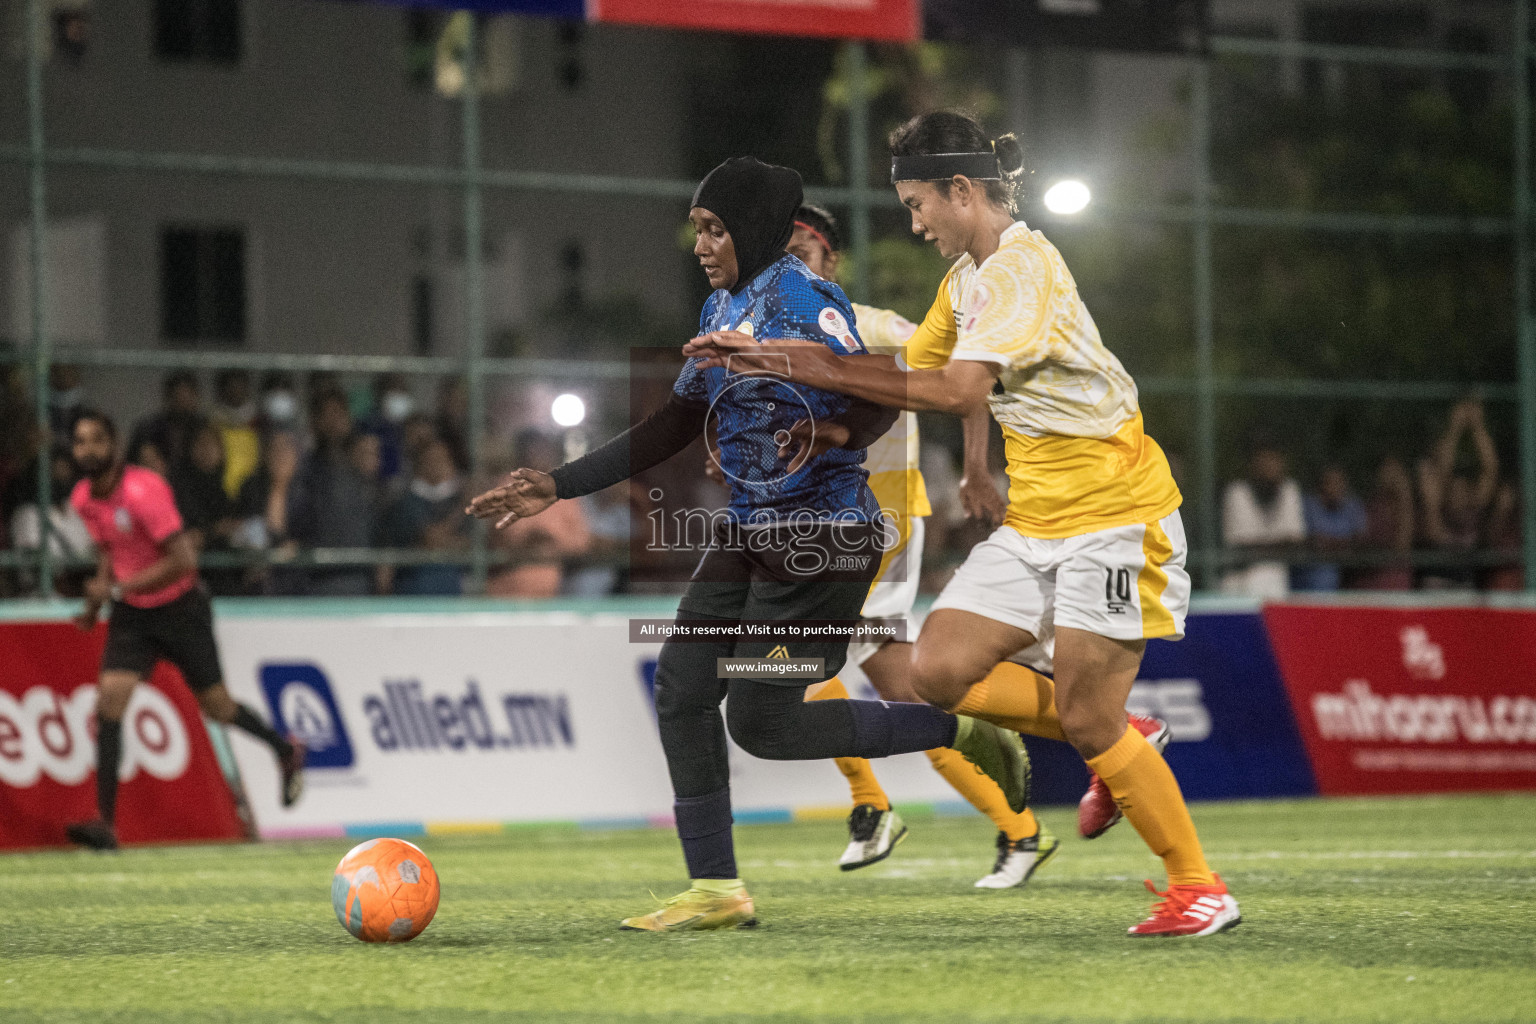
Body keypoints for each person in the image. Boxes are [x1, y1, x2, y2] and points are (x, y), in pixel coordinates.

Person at [685, 112, 1237, 937]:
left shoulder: (1021, 271)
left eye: (918, 204)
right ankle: (1131, 736)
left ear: (963, 191)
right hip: (1037, 522)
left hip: (1115, 516)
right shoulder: (965, 280)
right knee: (932, 674)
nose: (915, 223)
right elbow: (908, 369)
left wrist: (812, 364)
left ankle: (1199, 888)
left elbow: (958, 392)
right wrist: (817, 409)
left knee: (1088, 718)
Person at [468, 155, 1030, 932]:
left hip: (826, 540)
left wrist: (832, 425)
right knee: (682, 683)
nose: (701, 244)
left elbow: (874, 390)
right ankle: (716, 890)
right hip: (751, 530)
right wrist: (557, 485)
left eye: (714, 228)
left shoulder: (803, 301)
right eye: (697, 228)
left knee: (762, 725)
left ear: (753, 228)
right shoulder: (722, 305)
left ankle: (960, 729)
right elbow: (673, 422)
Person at [783, 204, 1058, 887]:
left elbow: (967, 384)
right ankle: (1011, 825)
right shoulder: (779, 338)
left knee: (793, 663)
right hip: (821, 525)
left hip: (882, 522)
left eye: (803, 250)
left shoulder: (875, 329)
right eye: (780, 255)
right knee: (874, 686)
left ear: (831, 262)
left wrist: (974, 469)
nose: (792, 264)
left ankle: (879, 805)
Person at [64, 410, 304, 850]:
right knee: (109, 702)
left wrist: (119, 586)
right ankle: (106, 824)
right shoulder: (83, 498)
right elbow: (109, 552)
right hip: (132, 614)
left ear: (114, 443)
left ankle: (284, 750)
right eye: (80, 442)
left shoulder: (143, 491)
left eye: (96, 440)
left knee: (217, 706)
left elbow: (182, 560)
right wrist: (93, 604)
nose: (87, 450)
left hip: (180, 609)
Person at [286, 391, 379, 596]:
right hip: (318, 579)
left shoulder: (362, 466)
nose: (333, 422)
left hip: (361, 578)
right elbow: (294, 520)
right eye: (326, 415)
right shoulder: (305, 470)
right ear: (314, 421)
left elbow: (378, 521)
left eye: (338, 414)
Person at [1418, 398, 1498, 589]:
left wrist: (1477, 427)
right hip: (1435, 587)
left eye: (1464, 490)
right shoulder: (1437, 507)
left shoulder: (1474, 509)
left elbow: (1490, 469)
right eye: (1454, 489)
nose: (1459, 494)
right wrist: (1455, 428)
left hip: (1466, 587)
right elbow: (1442, 470)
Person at [382, 437, 468, 595]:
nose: (439, 465)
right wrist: (463, 507)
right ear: (419, 464)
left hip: (450, 590)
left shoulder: (453, 498)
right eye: (432, 460)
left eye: (444, 459)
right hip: (414, 588)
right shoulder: (406, 501)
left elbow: (468, 544)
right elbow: (431, 539)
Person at [1220, 438, 1305, 599]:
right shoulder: (1237, 492)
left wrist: (1263, 545)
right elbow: (1242, 547)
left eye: (1274, 461)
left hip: (1278, 582)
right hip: (1239, 584)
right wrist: (1279, 544)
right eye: (1263, 462)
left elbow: (1295, 544)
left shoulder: (1289, 490)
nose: (1269, 468)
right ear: (1252, 465)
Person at [1295, 465, 1367, 592]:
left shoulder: (1352, 506)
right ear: (1321, 485)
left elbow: (1361, 540)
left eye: (1339, 482)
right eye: (1330, 482)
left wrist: (1334, 544)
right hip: (1311, 580)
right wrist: (1343, 544)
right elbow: (1315, 541)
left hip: (1349, 578)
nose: (1335, 487)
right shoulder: (1309, 505)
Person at [1352, 455, 1415, 590]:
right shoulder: (1369, 507)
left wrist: (1404, 494)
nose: (1389, 474)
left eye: (1395, 470)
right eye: (1386, 469)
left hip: (1396, 582)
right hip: (1370, 582)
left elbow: (1402, 546)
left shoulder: (1408, 507)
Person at [128, 369, 206, 477]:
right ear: (168, 398)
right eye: (178, 397)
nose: (182, 403)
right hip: (153, 485)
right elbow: (133, 464)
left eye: (186, 397)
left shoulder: (204, 429)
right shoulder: (149, 429)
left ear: (195, 397)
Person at [210, 369, 261, 500]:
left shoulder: (259, 421)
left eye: (239, 386)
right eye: (230, 387)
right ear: (221, 390)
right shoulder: (212, 422)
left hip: (253, 486)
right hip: (220, 487)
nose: (235, 391)